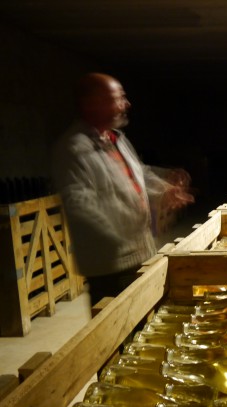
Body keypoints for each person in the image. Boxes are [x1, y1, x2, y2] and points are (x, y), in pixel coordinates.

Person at [51, 72, 193, 307]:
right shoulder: (74, 149)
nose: (126, 104)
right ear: (92, 104)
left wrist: (165, 186)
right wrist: (124, 238)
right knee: (122, 332)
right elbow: (79, 205)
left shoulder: (116, 139)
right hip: (112, 266)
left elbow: (140, 173)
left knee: (145, 322)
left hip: (140, 252)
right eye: (117, 98)